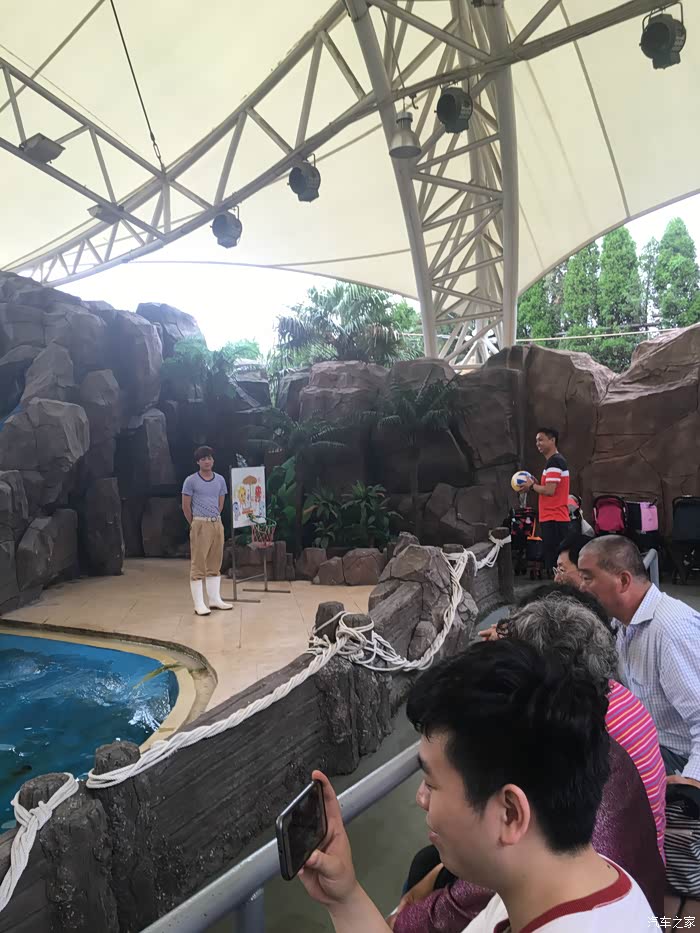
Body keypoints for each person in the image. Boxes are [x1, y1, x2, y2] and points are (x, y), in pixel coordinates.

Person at [299, 640, 653, 932]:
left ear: (510, 813)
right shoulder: (560, 884)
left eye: (431, 783)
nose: (421, 798)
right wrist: (343, 897)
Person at [578, 535, 700, 789]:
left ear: (623, 581)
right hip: (649, 743)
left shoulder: (670, 631)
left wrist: (691, 780)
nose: (581, 587)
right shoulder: (623, 623)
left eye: (588, 578)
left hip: (678, 757)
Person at [181, 445, 232, 616]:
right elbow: (186, 506)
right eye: (203, 459)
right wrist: (195, 523)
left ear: (213, 460)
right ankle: (199, 603)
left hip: (216, 523)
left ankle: (215, 599)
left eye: (209, 458)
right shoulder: (191, 481)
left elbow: (221, 502)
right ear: (198, 462)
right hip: (200, 523)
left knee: (215, 562)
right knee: (198, 563)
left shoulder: (220, 480)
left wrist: (215, 518)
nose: (207, 461)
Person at [521, 428, 570, 576]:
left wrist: (532, 486)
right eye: (536, 440)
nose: (538, 443)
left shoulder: (554, 462)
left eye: (541, 440)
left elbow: (549, 490)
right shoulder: (553, 462)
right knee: (554, 561)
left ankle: (559, 588)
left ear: (552, 440)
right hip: (553, 517)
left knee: (556, 563)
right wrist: (536, 484)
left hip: (554, 517)